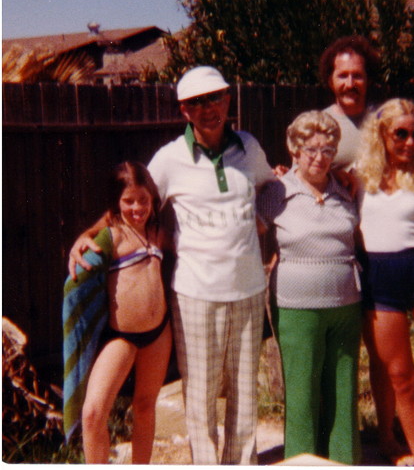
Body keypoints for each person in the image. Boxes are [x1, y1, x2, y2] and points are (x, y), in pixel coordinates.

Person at [67, 66, 275, 465]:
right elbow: (133, 203)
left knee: (245, 394)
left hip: (249, 287)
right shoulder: (169, 158)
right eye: (197, 102)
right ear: (184, 110)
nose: (209, 109)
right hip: (195, 292)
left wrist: (262, 219)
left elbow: (271, 184)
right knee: (200, 396)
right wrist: (88, 235)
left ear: (228, 99)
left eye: (215, 98)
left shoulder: (249, 147)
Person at [256, 111, 362, 464]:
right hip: (296, 307)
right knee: (302, 394)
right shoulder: (276, 190)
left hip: (346, 305)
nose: (320, 157)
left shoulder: (346, 189)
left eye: (328, 150)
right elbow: (249, 233)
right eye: (312, 149)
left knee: (343, 391)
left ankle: (344, 463)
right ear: (295, 149)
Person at [356, 98, 414, 465]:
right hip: (378, 277)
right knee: (399, 374)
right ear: (382, 134)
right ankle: (412, 453)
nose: (410, 142)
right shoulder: (359, 175)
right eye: (401, 134)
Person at [63, 161, 172, 463]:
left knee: (145, 406)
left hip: (159, 332)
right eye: (128, 201)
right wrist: (82, 239)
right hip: (122, 337)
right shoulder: (111, 236)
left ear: (153, 198)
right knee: (93, 413)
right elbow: (77, 280)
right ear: (116, 201)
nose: (137, 208)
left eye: (143, 200)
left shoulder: (157, 232)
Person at [319, 35, 380, 170]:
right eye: (343, 76)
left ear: (368, 80)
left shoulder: (384, 120)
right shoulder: (317, 125)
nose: (350, 84)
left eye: (357, 76)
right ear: (331, 81)